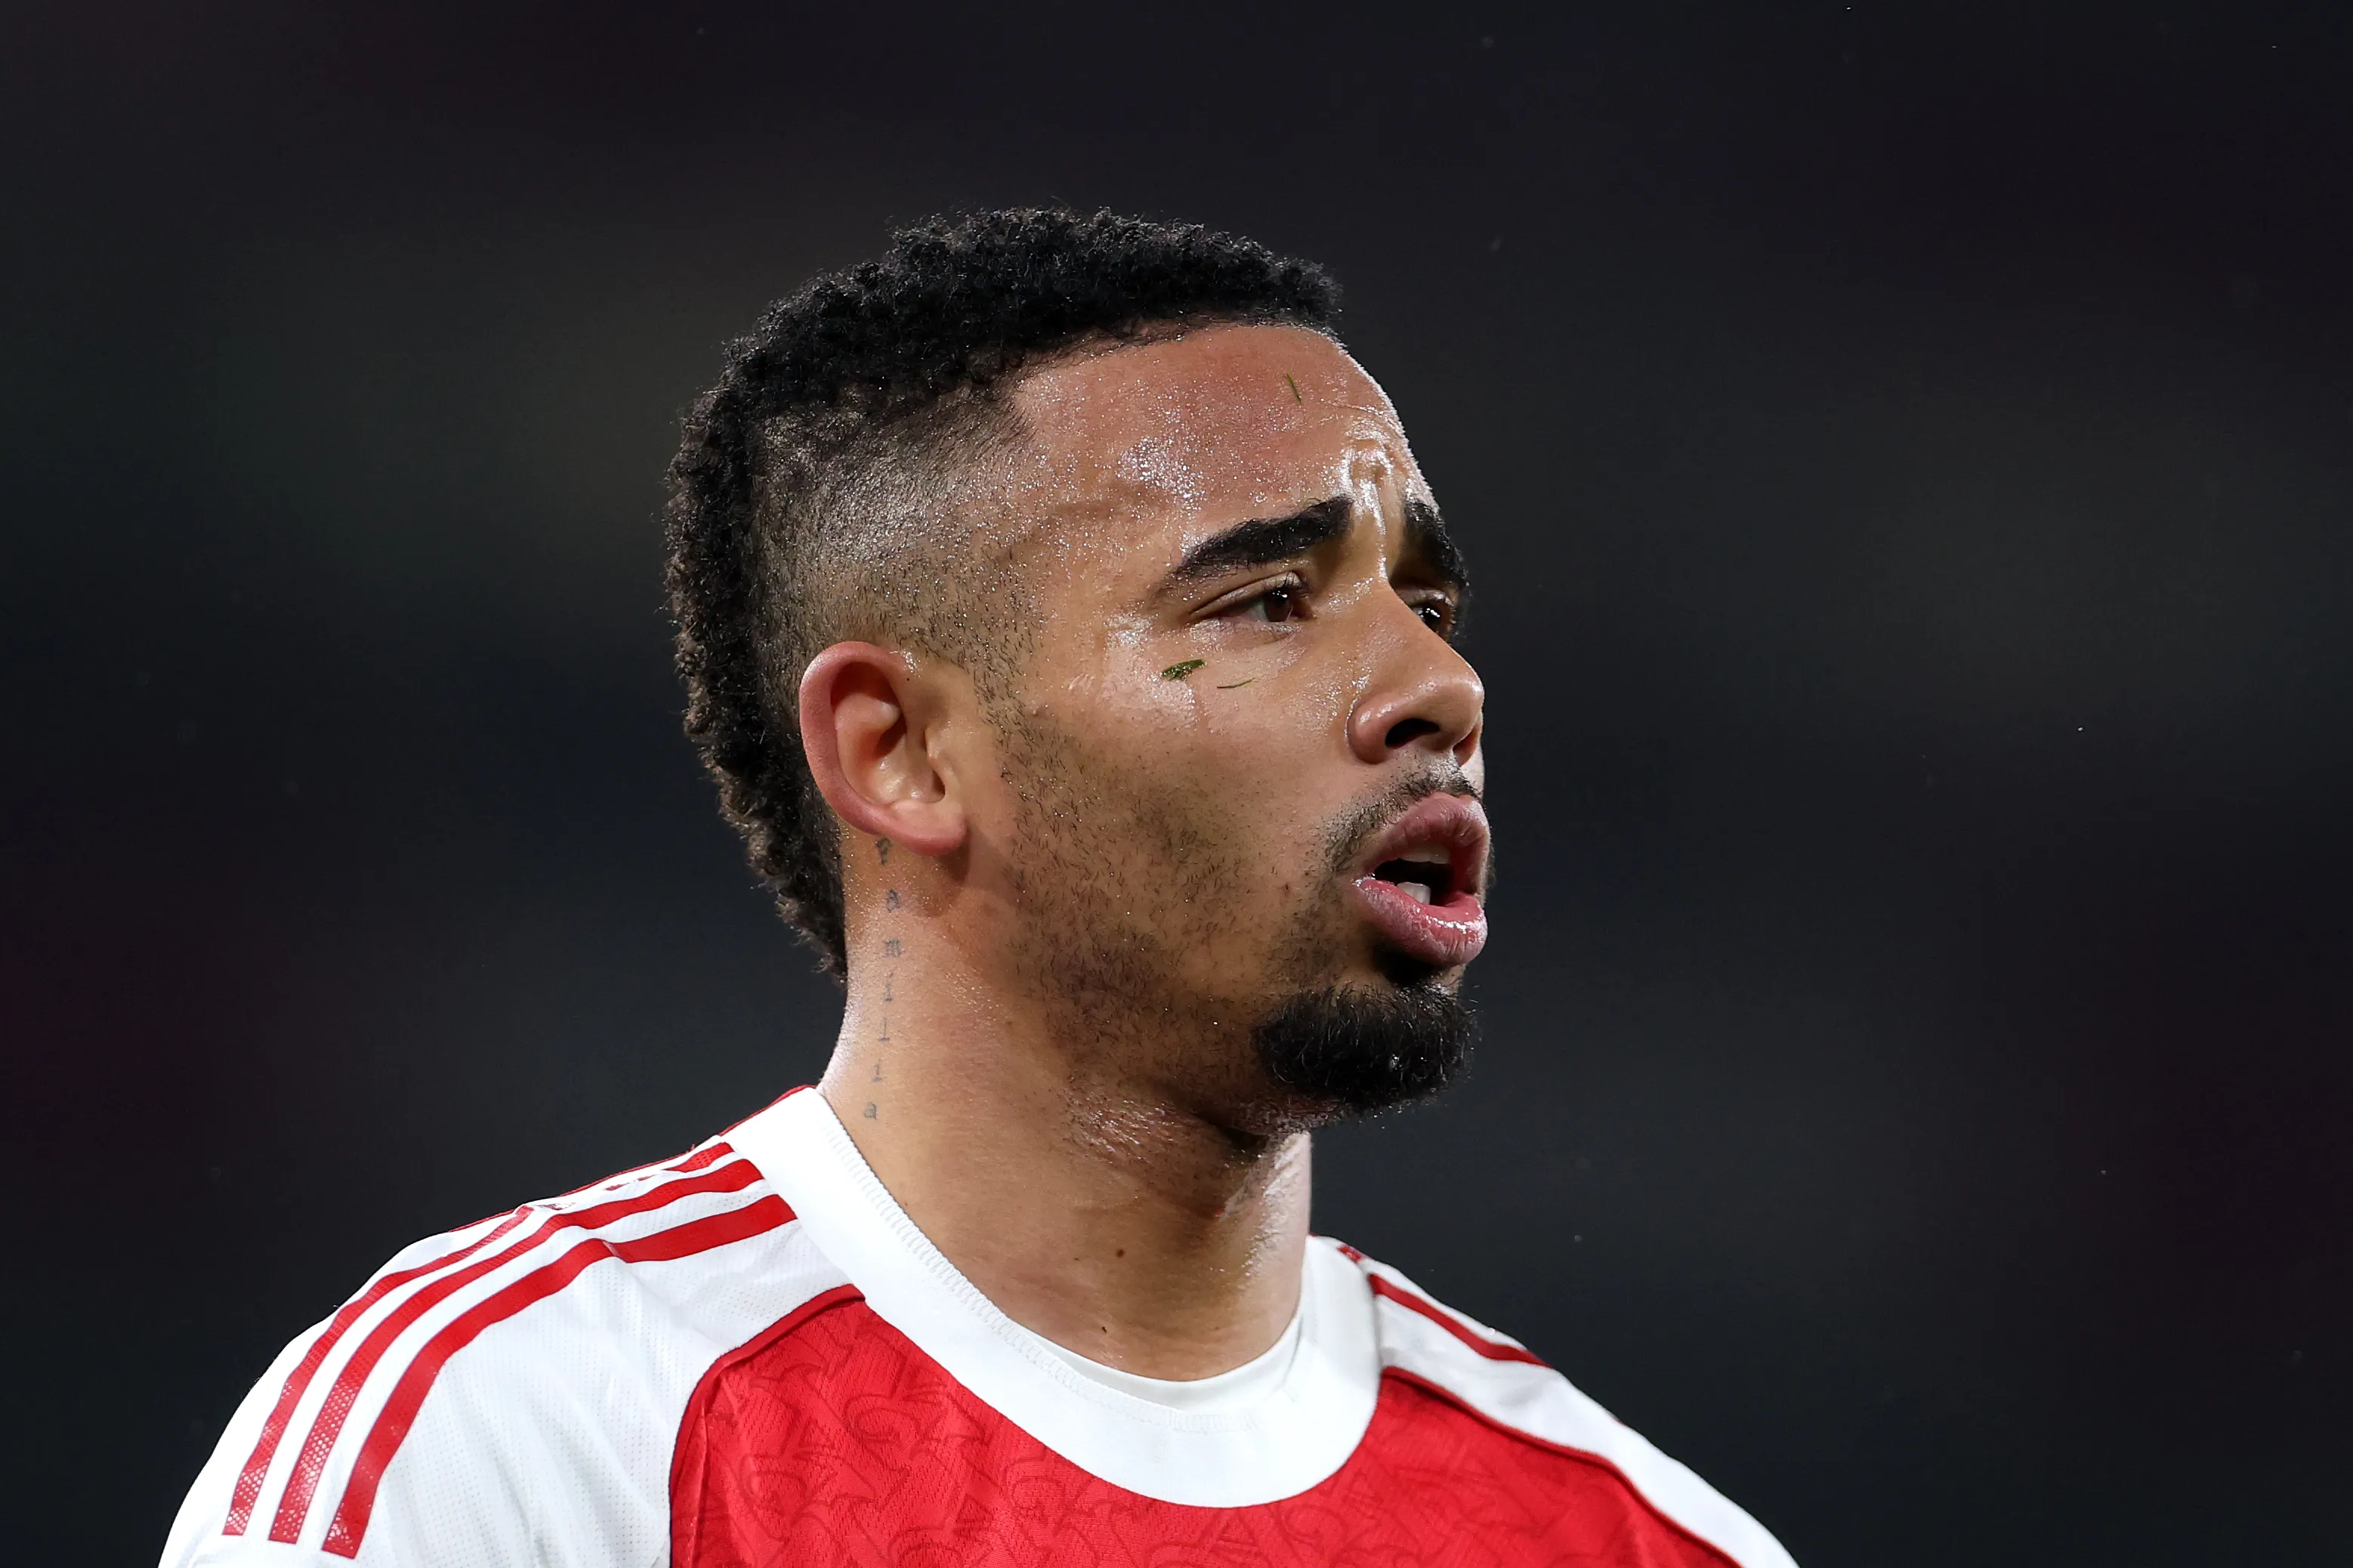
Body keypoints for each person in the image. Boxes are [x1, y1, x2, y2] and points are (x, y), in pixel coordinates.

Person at [162, 208, 1798, 1566]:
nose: (1437, 683)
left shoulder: (1642, 1541)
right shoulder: (511, 1448)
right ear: (901, 754)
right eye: (1266, 601)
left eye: (1425, 596)